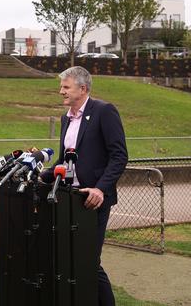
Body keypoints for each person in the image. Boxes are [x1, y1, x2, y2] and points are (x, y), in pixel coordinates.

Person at [44, 66, 128, 306]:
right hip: (70, 197)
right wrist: (45, 175)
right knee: (70, 258)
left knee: (89, 262)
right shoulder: (66, 118)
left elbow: (119, 156)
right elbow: (65, 160)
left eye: (66, 87)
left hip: (94, 200)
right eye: (61, 87)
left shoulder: (104, 111)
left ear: (83, 88)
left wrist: (100, 188)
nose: (61, 91)